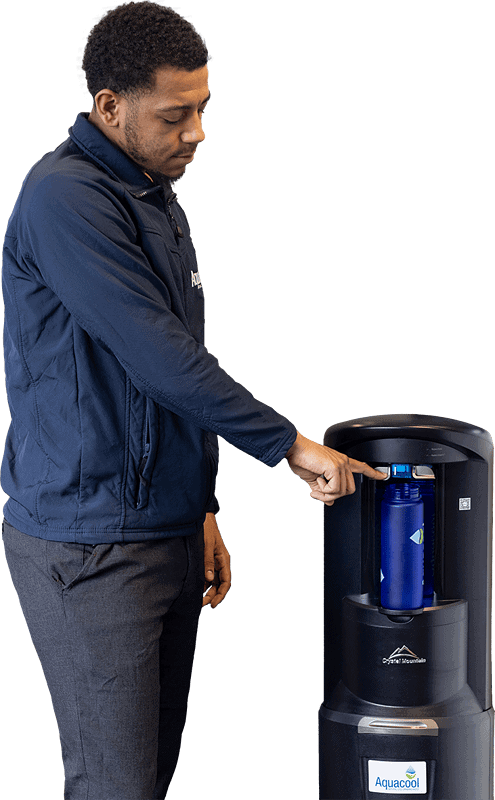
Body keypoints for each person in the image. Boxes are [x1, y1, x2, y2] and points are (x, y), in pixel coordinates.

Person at [1, 3, 385, 798]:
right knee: (115, 786)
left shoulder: (148, 194)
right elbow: (158, 357)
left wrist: (197, 507)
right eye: (175, 115)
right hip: (93, 544)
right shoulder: (64, 199)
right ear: (110, 107)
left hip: (158, 528)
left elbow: (168, 375)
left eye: (203, 110)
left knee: (149, 778)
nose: (197, 133)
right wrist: (289, 444)